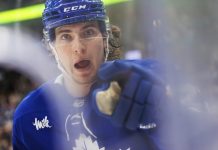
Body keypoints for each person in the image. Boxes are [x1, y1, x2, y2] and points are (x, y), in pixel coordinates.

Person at [12, 0, 168, 149]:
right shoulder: (28, 116)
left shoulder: (142, 91)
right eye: (66, 36)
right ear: (51, 47)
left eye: (88, 32)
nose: (78, 48)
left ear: (105, 38)